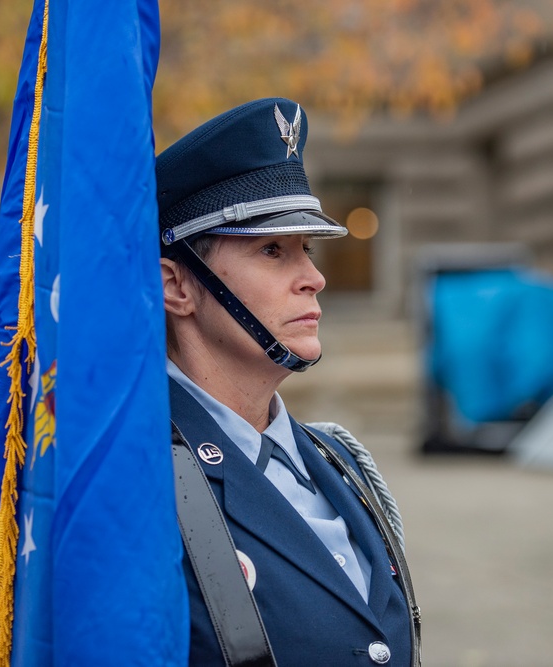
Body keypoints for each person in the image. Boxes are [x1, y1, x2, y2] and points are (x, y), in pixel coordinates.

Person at [157, 98, 421, 666]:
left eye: (307, 249)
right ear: (176, 286)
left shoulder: (340, 461)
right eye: (272, 250)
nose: (315, 278)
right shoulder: (140, 477)